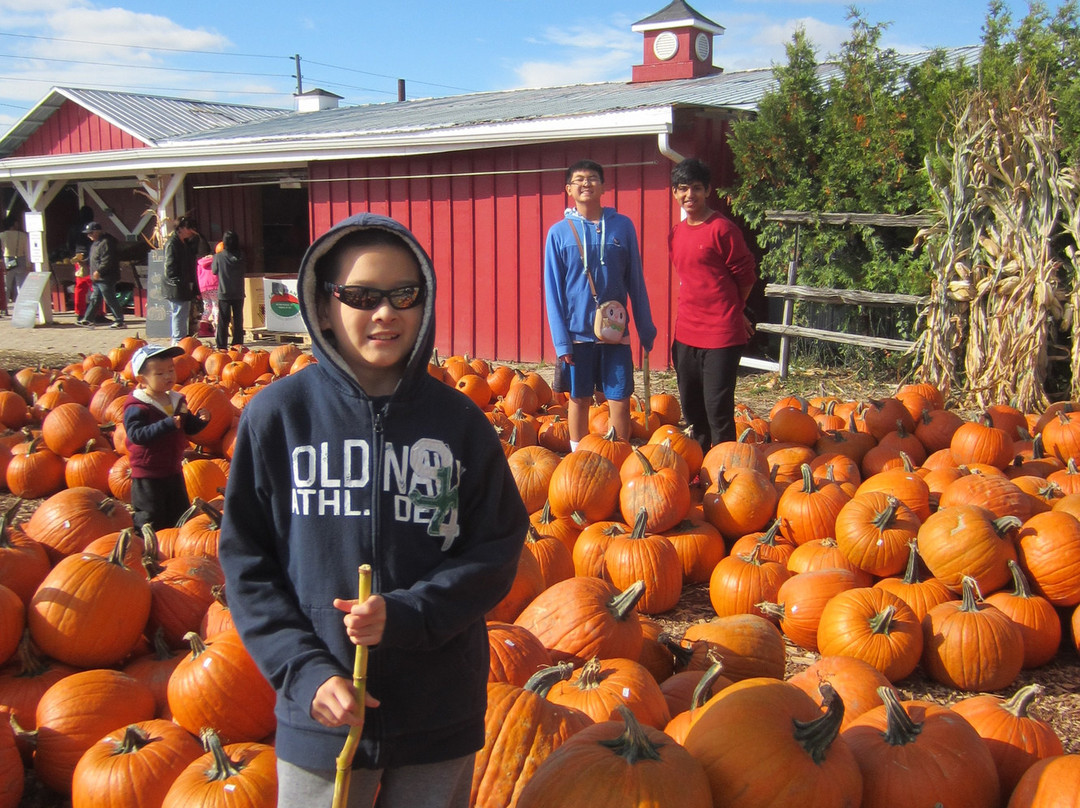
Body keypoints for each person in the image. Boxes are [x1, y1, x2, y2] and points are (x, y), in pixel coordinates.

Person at [218, 213, 529, 808]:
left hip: (439, 710)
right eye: (361, 296)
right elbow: (247, 565)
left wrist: (411, 614)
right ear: (325, 307)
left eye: (403, 295)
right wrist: (303, 671)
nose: (384, 313)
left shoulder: (459, 425)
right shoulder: (279, 418)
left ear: (425, 303)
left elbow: (495, 551)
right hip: (323, 714)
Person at [543, 159, 656, 447]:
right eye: (579, 179)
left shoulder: (622, 226)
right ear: (569, 188)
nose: (586, 184)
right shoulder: (558, 233)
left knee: (619, 395)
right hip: (577, 333)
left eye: (592, 178)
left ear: (604, 186)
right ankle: (577, 454)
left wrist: (645, 327)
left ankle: (618, 453)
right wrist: (561, 342)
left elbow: (636, 281)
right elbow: (553, 291)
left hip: (616, 331)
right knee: (579, 396)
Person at [668, 157, 758, 451]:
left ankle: (725, 469)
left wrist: (735, 310)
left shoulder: (722, 230)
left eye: (696, 188)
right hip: (686, 334)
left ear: (708, 190)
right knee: (692, 409)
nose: (689, 195)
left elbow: (746, 277)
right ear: (675, 193)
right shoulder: (676, 233)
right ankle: (702, 467)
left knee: (717, 410)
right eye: (683, 188)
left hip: (720, 336)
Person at [123, 345, 211, 531]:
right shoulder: (138, 407)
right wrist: (167, 424)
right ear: (142, 379)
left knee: (179, 511)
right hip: (148, 472)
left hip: (173, 468)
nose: (168, 376)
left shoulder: (177, 401)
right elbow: (137, 435)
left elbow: (187, 427)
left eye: (171, 370)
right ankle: (148, 548)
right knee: (150, 515)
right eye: (160, 373)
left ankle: (175, 547)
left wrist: (201, 422)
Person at [78, 222, 126, 328]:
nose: (88, 235)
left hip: (106, 276)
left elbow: (107, 260)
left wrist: (99, 271)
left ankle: (119, 320)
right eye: (87, 233)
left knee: (109, 298)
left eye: (90, 233)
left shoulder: (106, 242)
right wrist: (83, 261)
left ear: (97, 232)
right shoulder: (96, 243)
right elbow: (94, 258)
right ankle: (88, 319)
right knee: (95, 298)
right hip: (97, 277)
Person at [163, 216, 200, 345]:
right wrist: (179, 282)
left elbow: (195, 254)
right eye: (189, 228)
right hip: (176, 286)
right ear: (181, 228)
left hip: (183, 284)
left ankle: (180, 340)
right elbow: (170, 268)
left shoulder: (185, 243)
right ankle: (178, 342)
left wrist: (195, 239)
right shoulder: (172, 244)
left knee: (182, 314)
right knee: (179, 314)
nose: (191, 231)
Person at [212, 230, 246, 349]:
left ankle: (221, 345)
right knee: (238, 319)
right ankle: (237, 343)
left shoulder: (219, 256)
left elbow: (214, 271)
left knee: (223, 320)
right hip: (239, 292)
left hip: (224, 292)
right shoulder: (241, 256)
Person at [1, 216, 30, 316]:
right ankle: (22, 308)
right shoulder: (23, 235)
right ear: (14, 224)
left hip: (8, 259)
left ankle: (4, 308)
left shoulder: (3, 235)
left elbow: (2, 249)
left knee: (7, 285)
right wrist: (28, 263)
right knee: (21, 285)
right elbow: (27, 250)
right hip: (21, 258)